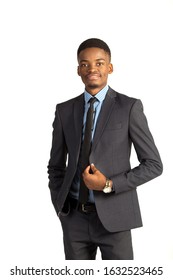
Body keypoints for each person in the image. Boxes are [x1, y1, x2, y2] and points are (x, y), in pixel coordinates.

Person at [47, 38, 163, 260]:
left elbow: (154, 165)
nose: (92, 69)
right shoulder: (64, 111)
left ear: (110, 67)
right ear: (78, 70)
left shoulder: (129, 107)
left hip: (116, 220)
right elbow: (55, 165)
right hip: (74, 221)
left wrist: (108, 184)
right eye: (85, 64)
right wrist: (60, 205)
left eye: (99, 63)